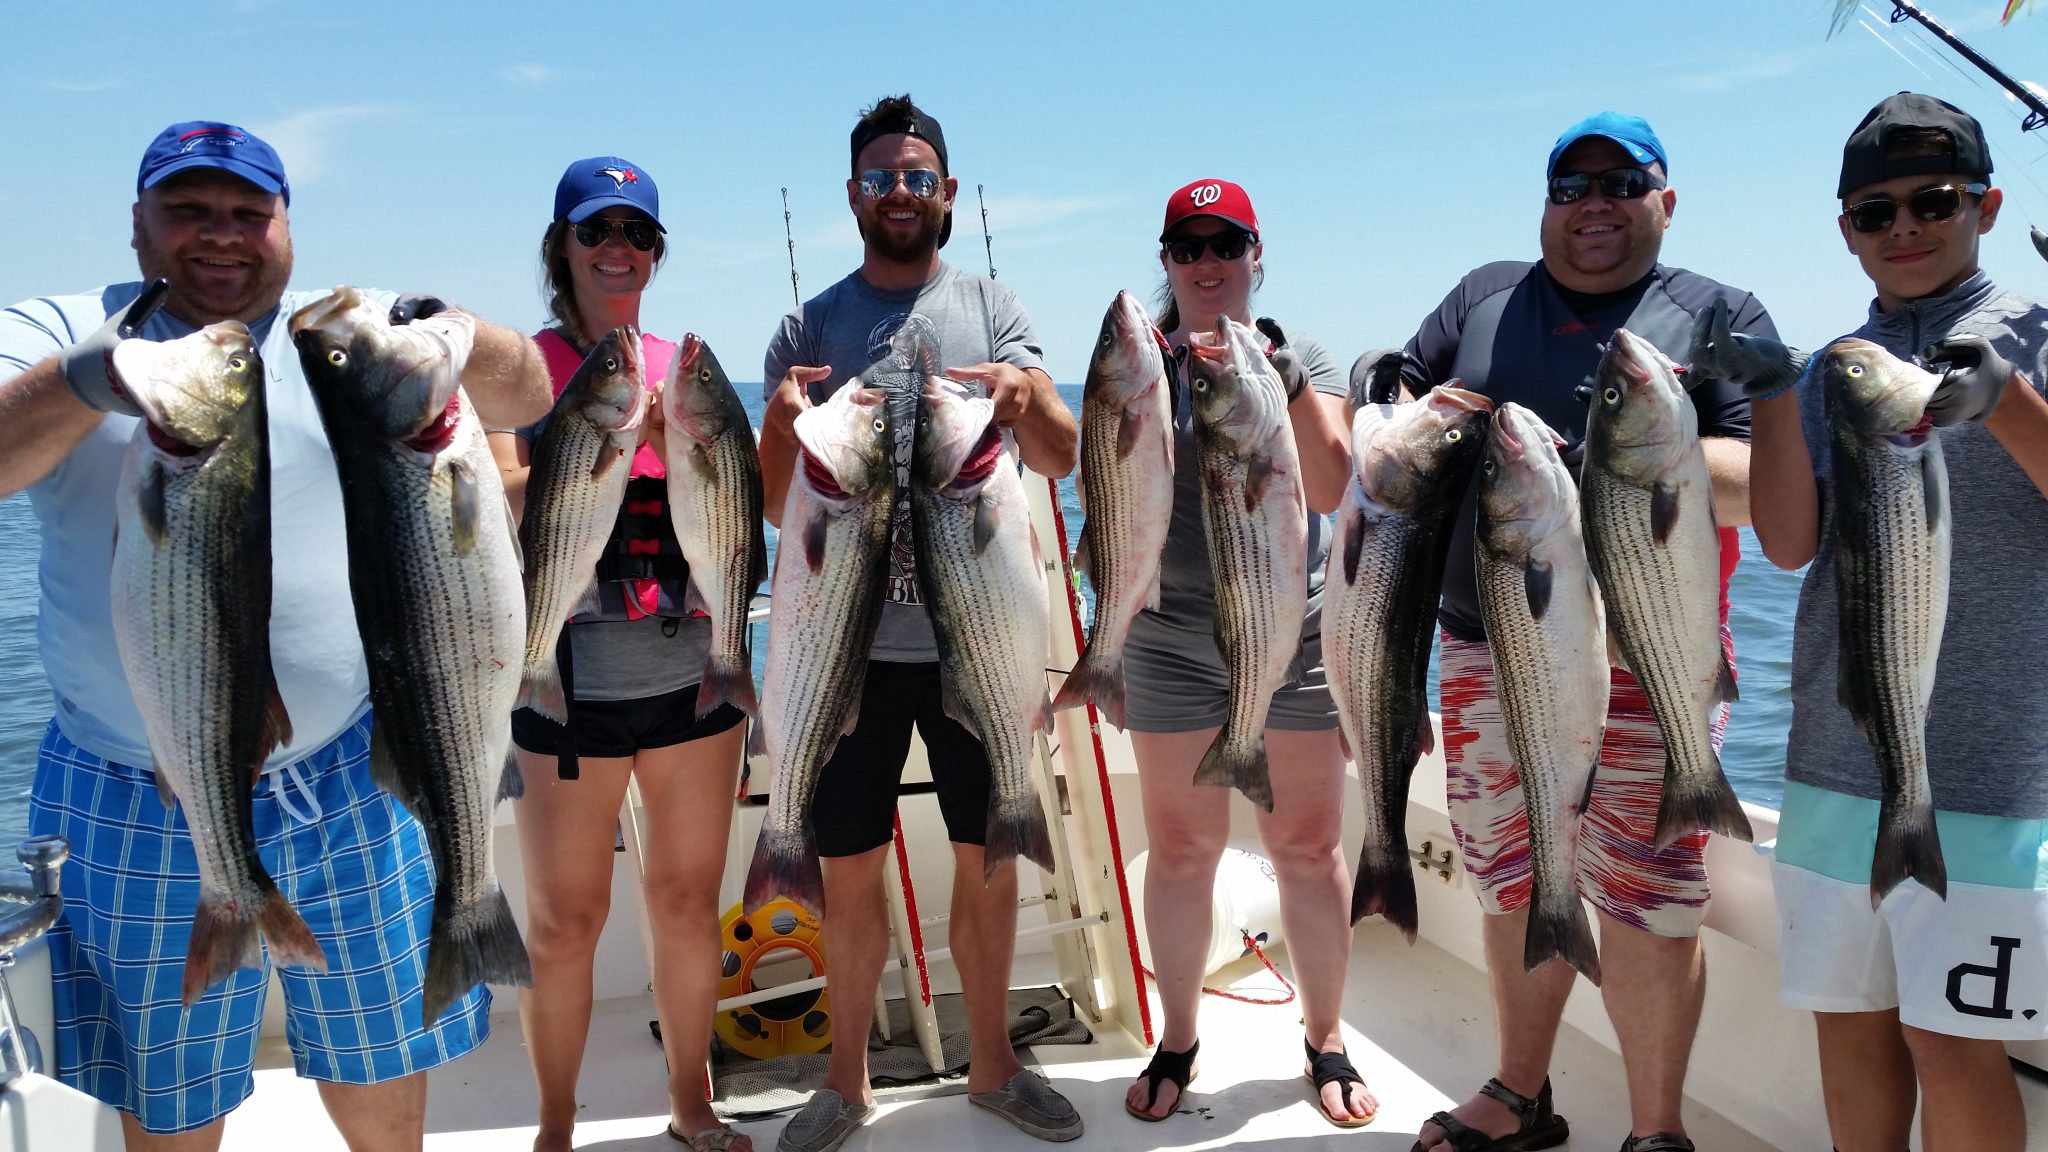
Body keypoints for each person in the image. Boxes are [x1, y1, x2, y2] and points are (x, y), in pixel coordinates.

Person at [0, 121, 553, 1150]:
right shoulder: (59, 329)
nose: (222, 236)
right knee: (167, 1093)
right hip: (127, 784)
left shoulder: (341, 337)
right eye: (189, 212)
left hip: (348, 764)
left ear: (286, 224)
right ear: (138, 226)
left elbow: (532, 393)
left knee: (382, 1059)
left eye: (249, 213)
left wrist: (461, 332)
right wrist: (89, 379)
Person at [1391, 113, 1770, 1152]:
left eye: (1621, 183)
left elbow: (1755, 485)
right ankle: (1519, 1096)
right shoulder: (1483, 296)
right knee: (1512, 874)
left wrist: (1632, 462)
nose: (1593, 205)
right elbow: (1400, 405)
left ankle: (1654, 1132)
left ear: (1664, 198)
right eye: (1572, 186)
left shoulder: (1716, 315)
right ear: (1545, 201)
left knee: (1645, 895)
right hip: (1488, 638)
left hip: (1651, 655)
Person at [1697, 91, 2048, 1152]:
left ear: (1984, 205)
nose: (1903, 227)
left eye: (1932, 200)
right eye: (1872, 211)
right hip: (1834, 756)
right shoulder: (1835, 364)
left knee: (1950, 1043)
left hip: (1994, 770)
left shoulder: (2033, 335)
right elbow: (1790, 544)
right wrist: (1768, 394)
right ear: (1843, 232)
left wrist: (2009, 401)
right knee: (1849, 1026)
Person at [757, 94, 1079, 1152]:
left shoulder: (991, 305)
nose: (899, 192)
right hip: (845, 650)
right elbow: (772, 507)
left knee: (989, 862)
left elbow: (1065, 458)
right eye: (879, 177)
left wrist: (1028, 400)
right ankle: (844, 1084)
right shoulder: (806, 330)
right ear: (852, 195)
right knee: (846, 872)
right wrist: (774, 430)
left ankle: (993, 1065)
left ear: (946, 193)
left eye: (917, 175)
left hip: (975, 641)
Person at [486, 157, 752, 1152]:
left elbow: (740, 507)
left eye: (637, 233)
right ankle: (555, 1129)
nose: (617, 249)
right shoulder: (522, 367)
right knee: (561, 926)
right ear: (562, 246)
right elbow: (498, 497)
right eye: (596, 230)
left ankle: (691, 1104)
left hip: (693, 671)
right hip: (561, 674)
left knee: (687, 906)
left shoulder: (684, 365)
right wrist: (582, 437)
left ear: (655, 251)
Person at [1114, 179, 1375, 1130]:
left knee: (1306, 846)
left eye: (1227, 243)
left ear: (1257, 254)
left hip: (1289, 632)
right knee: (1183, 850)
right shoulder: (1134, 360)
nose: (1209, 262)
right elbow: (1104, 490)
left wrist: (1286, 381)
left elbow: (1338, 478)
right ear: (1168, 260)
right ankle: (1178, 1036)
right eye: (1189, 247)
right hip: (1171, 639)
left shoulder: (1295, 354)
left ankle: (1328, 1036)